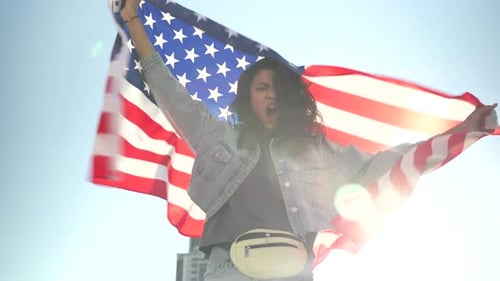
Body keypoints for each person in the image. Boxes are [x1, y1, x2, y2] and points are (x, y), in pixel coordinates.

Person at [118, 1, 497, 280]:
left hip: (294, 270)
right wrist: (133, 19)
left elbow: (395, 162)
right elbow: (168, 91)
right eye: (261, 88)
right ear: (248, 97)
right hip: (228, 269)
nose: (270, 95)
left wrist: (462, 132)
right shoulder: (220, 137)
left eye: (278, 89)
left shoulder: (321, 152)